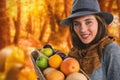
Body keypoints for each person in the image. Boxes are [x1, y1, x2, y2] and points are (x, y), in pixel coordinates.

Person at [60, 0, 120, 80]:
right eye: (76, 24)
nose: (82, 30)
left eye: (88, 22)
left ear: (99, 22)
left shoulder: (111, 51)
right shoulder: (75, 52)